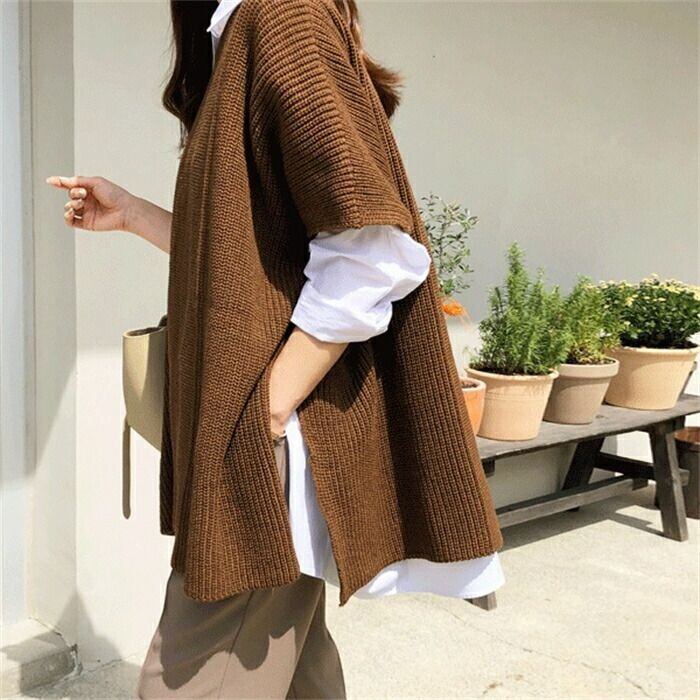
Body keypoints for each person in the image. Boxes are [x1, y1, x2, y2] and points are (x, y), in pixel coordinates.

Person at [48, 0, 504, 697]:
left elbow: (375, 252)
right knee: (297, 675)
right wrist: (134, 214)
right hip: (264, 438)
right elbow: (251, 260)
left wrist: (265, 408)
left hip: (266, 446)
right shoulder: (240, 31)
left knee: (187, 681)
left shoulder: (282, 18)